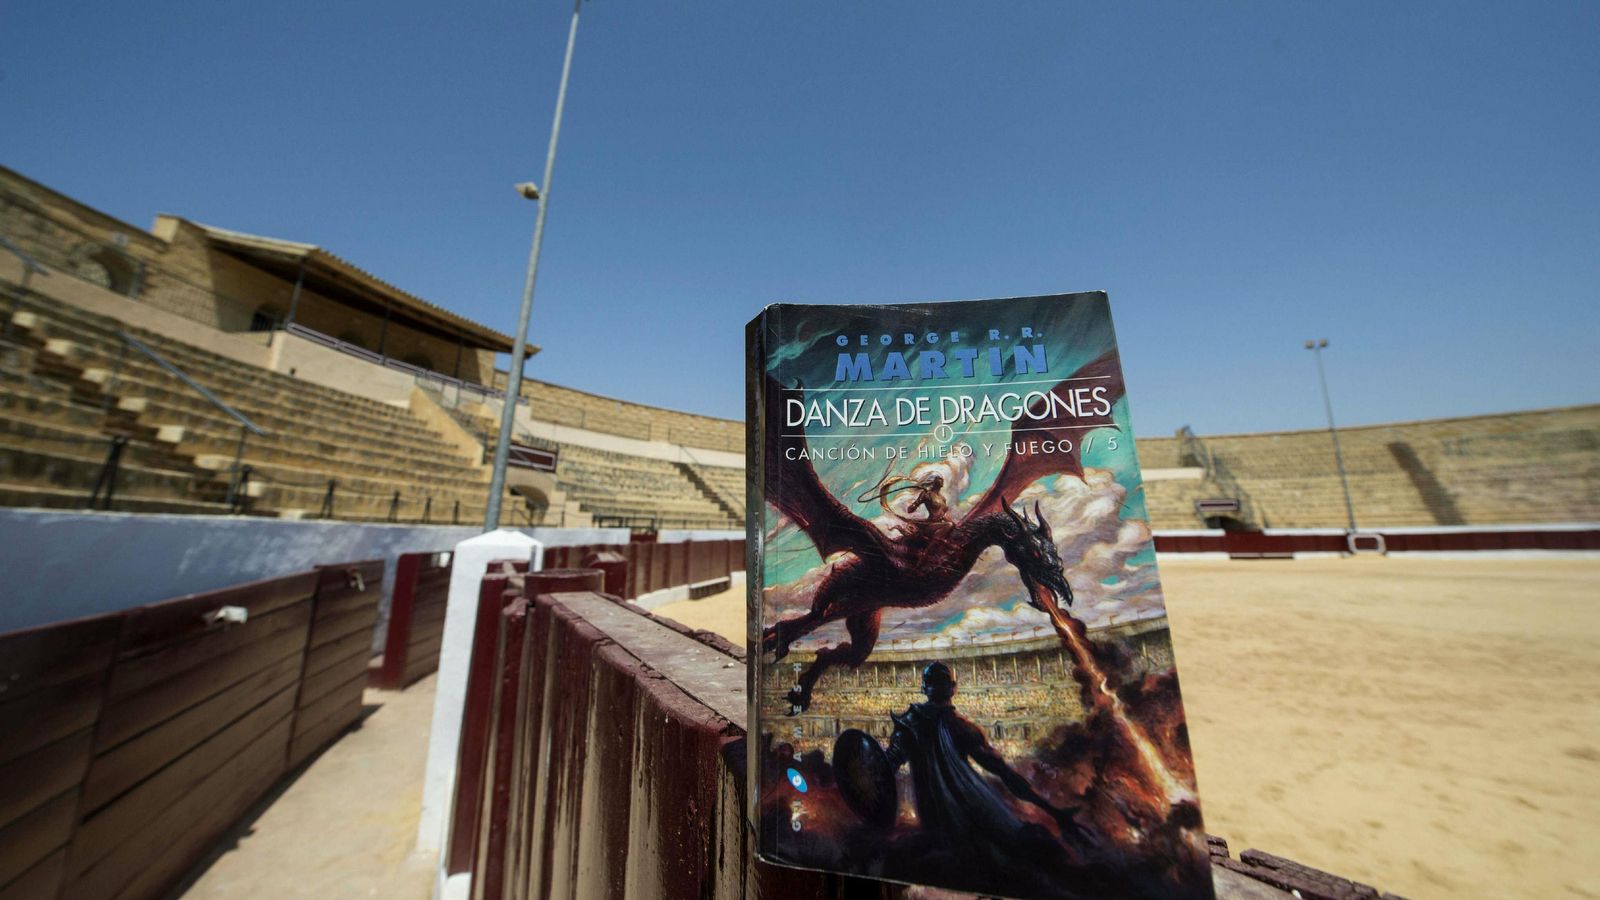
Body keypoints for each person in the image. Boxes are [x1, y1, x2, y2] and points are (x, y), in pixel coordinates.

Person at [886, 662, 1092, 849]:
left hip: (938, 826)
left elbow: (885, 770)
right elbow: (1004, 773)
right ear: (953, 688)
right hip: (976, 818)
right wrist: (1053, 811)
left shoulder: (908, 723)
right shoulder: (962, 728)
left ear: (924, 688)